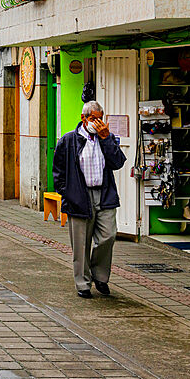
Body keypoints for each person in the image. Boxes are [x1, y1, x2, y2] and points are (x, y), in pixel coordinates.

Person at [53, 100, 127, 299]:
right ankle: (83, 283)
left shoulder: (107, 138)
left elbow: (118, 162)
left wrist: (106, 139)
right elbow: (58, 172)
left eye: (100, 119)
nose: (97, 123)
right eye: (93, 119)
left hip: (104, 194)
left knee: (108, 236)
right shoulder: (68, 140)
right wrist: (68, 193)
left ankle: (100, 277)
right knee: (81, 243)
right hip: (79, 195)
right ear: (83, 118)